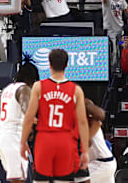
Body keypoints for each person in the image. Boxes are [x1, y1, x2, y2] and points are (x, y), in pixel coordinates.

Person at [20, 49, 89, 181]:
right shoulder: (76, 90)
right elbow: (82, 122)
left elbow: (29, 117)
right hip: (66, 140)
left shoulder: (38, 86)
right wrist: (85, 151)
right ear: (67, 65)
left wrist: (23, 142)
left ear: (49, 64)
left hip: (44, 139)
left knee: (41, 180)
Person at [0, 59, 40, 183]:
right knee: (19, 180)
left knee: (18, 180)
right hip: (13, 139)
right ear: (32, 79)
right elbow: (27, 112)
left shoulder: (6, 91)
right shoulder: (25, 89)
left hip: (1, 139)